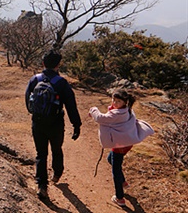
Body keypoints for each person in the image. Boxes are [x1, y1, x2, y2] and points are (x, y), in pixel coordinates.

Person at [25, 50, 82, 199]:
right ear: (58, 65)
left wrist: (37, 113)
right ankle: (57, 173)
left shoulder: (34, 80)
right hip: (56, 123)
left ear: (43, 63)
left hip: (38, 122)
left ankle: (42, 186)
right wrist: (76, 125)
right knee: (57, 149)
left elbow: (28, 103)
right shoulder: (61, 83)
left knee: (41, 154)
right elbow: (71, 106)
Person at [88, 89, 154, 207]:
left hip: (119, 145)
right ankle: (123, 182)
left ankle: (120, 198)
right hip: (127, 142)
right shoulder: (128, 110)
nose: (115, 103)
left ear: (125, 102)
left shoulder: (116, 114)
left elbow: (99, 118)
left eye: (118, 101)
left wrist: (93, 109)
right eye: (113, 100)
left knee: (116, 169)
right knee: (110, 159)